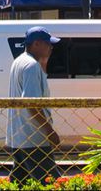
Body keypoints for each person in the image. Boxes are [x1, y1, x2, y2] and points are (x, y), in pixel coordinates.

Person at [6, 26, 61, 185]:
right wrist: (49, 131)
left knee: (20, 183)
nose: (51, 47)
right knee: (52, 183)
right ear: (36, 44)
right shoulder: (31, 66)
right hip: (34, 138)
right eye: (47, 44)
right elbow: (30, 103)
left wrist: (43, 63)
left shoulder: (19, 61)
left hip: (19, 136)